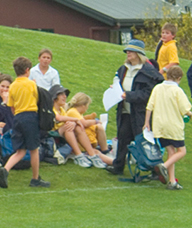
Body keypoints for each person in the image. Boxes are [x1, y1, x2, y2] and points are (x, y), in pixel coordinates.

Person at [107, 40, 162, 177]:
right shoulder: (123, 69)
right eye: (127, 51)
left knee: (145, 142)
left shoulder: (149, 72)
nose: (128, 53)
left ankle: (154, 169)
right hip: (125, 111)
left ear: (139, 54)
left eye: (130, 51)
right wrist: (115, 90)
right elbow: (120, 85)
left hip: (141, 113)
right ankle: (118, 166)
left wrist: (129, 95)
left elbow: (149, 94)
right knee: (123, 138)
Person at [0, 57, 50, 188]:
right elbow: (37, 100)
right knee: (34, 149)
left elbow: (12, 106)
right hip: (30, 116)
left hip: (18, 117)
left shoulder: (13, 86)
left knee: (20, 150)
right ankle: (35, 178)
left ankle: (6, 169)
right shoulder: (31, 84)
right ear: (27, 70)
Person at [145, 64, 191, 189]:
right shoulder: (177, 90)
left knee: (171, 151)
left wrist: (146, 122)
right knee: (181, 151)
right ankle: (163, 167)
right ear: (179, 78)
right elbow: (185, 109)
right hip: (173, 125)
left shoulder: (158, 88)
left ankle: (172, 182)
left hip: (159, 126)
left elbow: (149, 106)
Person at [49, 85, 105, 168]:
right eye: (61, 94)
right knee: (69, 127)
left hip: (62, 133)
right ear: (55, 97)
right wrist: (75, 120)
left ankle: (92, 155)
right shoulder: (51, 108)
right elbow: (58, 118)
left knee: (76, 126)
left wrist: (74, 122)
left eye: (65, 94)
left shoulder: (62, 110)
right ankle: (79, 155)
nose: (65, 96)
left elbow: (67, 120)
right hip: (53, 135)